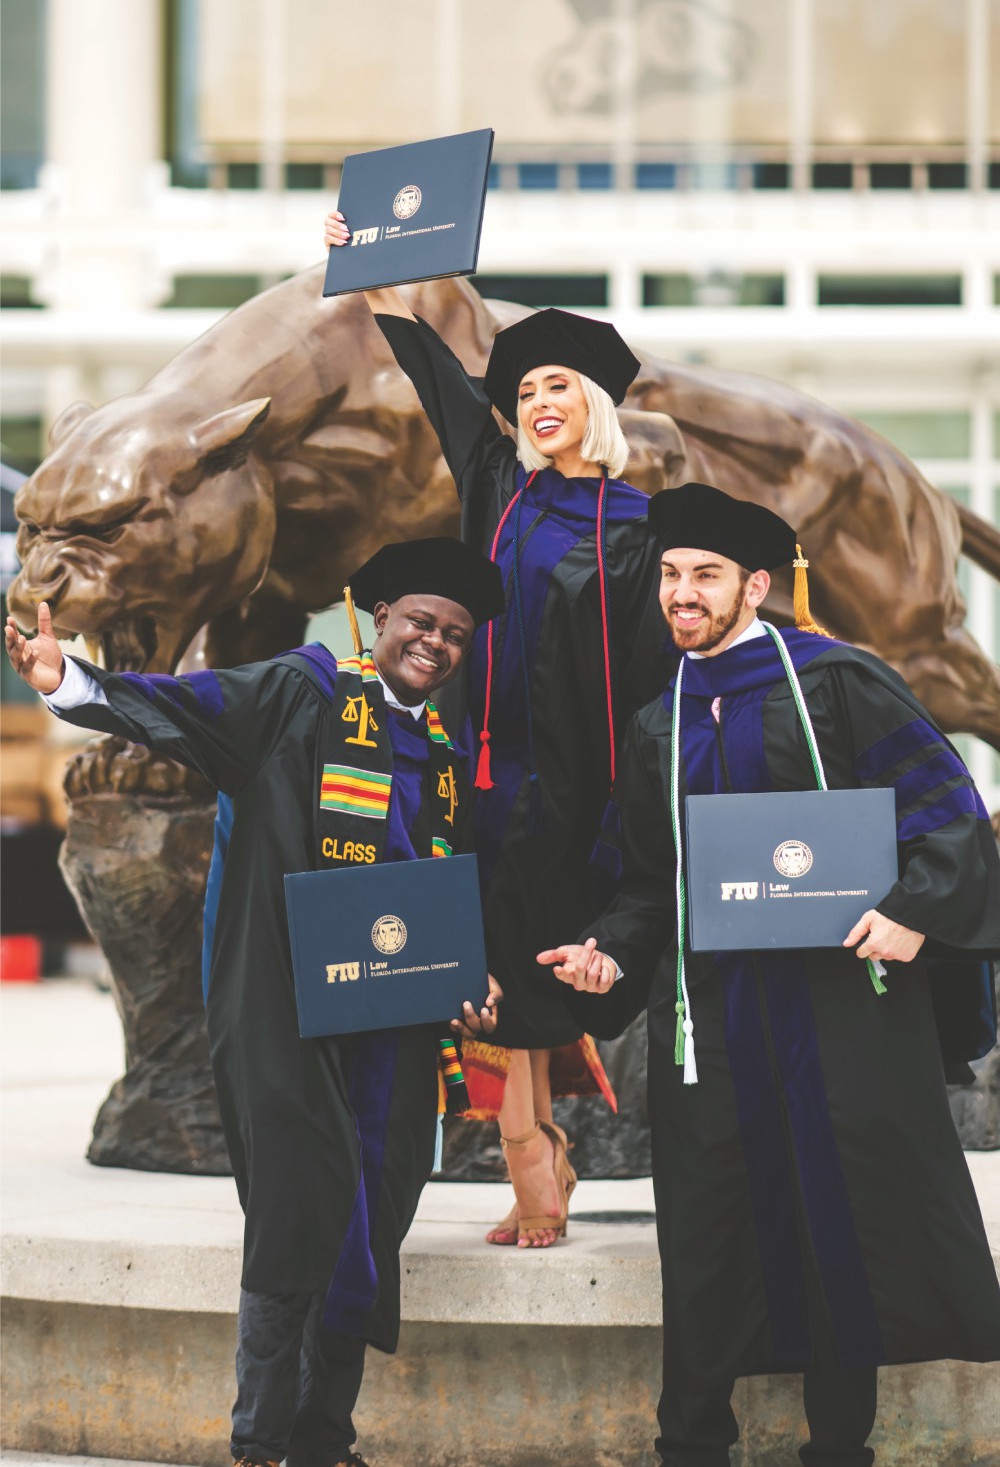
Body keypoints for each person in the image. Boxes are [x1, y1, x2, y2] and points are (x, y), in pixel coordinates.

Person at [5, 536, 505, 1467]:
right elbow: (185, 706)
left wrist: (468, 976)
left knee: (374, 1210)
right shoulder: (301, 693)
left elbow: (438, 892)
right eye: (420, 623)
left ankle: (325, 1442)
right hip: (286, 1006)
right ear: (379, 620)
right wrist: (65, 679)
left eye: (455, 633)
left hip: (392, 1021)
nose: (435, 642)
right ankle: (262, 1443)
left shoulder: (442, 754)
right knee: (297, 1206)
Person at [540, 482, 1000, 1467]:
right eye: (669, 576)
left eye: (703, 575)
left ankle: (840, 1446)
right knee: (708, 1227)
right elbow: (642, 879)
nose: (682, 594)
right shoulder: (658, 721)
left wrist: (913, 915)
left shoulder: (838, 682)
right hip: (716, 1018)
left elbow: (946, 812)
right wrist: (610, 947)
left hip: (839, 1009)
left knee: (842, 1211)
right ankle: (691, 1442)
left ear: (757, 584)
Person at [325, 209, 673, 1247]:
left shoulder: (644, 528)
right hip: (480, 776)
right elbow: (436, 374)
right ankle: (532, 1152)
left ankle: (543, 1149)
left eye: (556, 384)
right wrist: (373, 273)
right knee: (486, 972)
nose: (536, 401)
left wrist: (634, 801)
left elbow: (652, 676)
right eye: (524, 391)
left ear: (596, 401)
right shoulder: (498, 488)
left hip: (585, 788)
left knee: (547, 968)